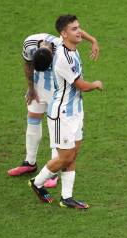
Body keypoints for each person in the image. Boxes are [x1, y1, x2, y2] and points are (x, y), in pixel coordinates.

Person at [8, 28, 99, 189]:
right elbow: (27, 64)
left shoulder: (62, 47)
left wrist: (92, 40)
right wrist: (31, 87)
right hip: (38, 84)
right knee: (33, 117)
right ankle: (30, 162)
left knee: (56, 129)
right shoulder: (29, 43)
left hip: (58, 90)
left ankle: (53, 173)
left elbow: (74, 29)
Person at [28, 15, 103, 208]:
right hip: (62, 114)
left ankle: (66, 198)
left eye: (79, 27)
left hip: (76, 110)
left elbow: (79, 35)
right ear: (63, 34)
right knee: (64, 157)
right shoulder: (63, 59)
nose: (79, 32)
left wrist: (93, 40)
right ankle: (36, 183)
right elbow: (81, 85)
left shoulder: (65, 42)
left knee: (73, 153)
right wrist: (95, 84)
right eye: (74, 29)